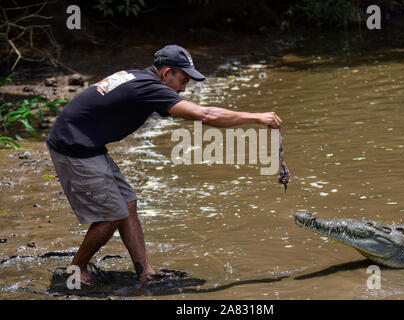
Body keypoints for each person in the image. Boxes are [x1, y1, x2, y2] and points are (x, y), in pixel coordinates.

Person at [46, 44, 282, 284]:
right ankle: (75, 270)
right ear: (166, 72)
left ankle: (146, 272)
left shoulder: (139, 77)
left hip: (86, 144)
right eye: (183, 79)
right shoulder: (148, 87)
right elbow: (205, 115)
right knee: (111, 214)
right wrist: (257, 117)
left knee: (127, 203)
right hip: (74, 148)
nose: (184, 87)